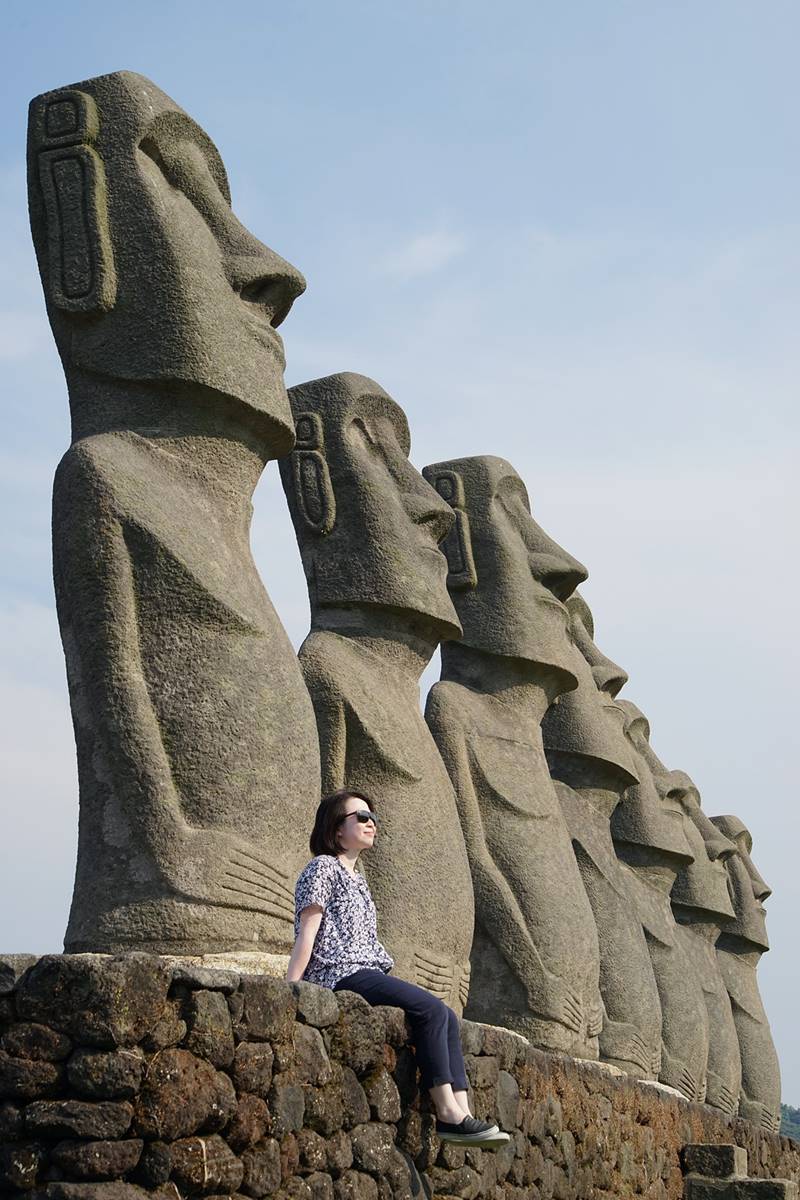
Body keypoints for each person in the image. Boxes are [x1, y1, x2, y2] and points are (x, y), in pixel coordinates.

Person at [287, 788, 509, 1147]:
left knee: (448, 1016)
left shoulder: (358, 879)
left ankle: (464, 1113)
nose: (371, 822)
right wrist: (292, 988)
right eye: (361, 817)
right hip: (340, 973)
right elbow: (307, 933)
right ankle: (448, 1114)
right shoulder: (323, 868)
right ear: (336, 829)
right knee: (431, 1010)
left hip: (367, 972)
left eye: (373, 817)